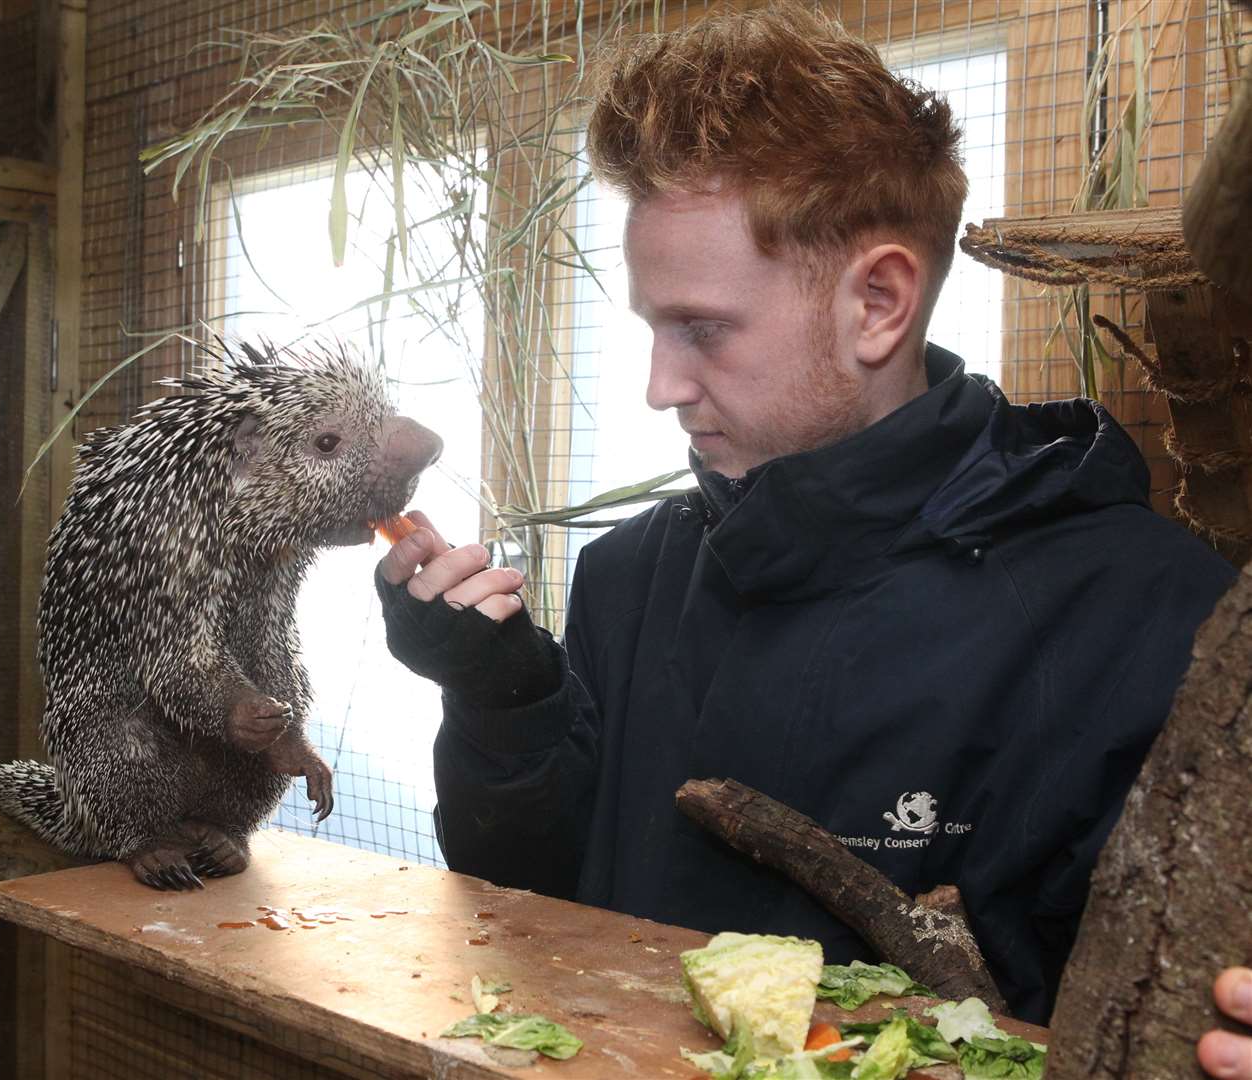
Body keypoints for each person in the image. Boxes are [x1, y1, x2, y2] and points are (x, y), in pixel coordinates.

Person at [372, 1, 1247, 1049]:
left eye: (704, 330)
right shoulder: (630, 577)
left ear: (877, 301)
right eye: (655, 328)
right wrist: (502, 702)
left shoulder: (1151, 619)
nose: (659, 386)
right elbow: (530, 919)